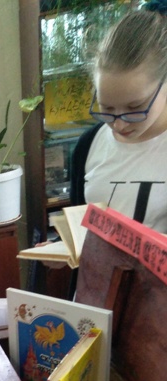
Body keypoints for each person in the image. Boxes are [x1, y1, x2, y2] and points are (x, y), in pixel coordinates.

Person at [71, 3, 167, 233]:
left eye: (135, 107)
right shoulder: (88, 146)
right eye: (106, 107)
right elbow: (79, 233)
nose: (118, 123)